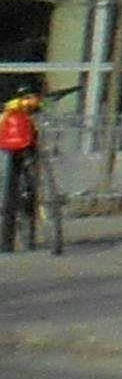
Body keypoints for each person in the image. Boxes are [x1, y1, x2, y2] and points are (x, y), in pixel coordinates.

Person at [0, 81, 41, 253]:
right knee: (11, 187)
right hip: (11, 145)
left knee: (26, 188)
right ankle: (9, 238)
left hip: (22, 145)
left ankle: (20, 237)